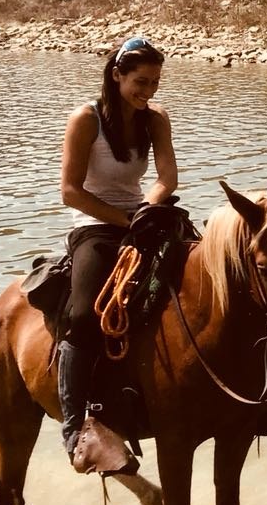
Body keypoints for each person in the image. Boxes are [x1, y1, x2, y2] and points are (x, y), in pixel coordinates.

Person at [57, 34, 179, 468]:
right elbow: (70, 191)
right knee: (86, 315)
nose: (148, 92)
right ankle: (74, 426)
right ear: (117, 76)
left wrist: (150, 205)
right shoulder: (85, 119)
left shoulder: (155, 118)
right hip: (96, 224)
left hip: (143, 215)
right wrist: (126, 221)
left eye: (155, 83)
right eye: (140, 82)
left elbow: (168, 176)